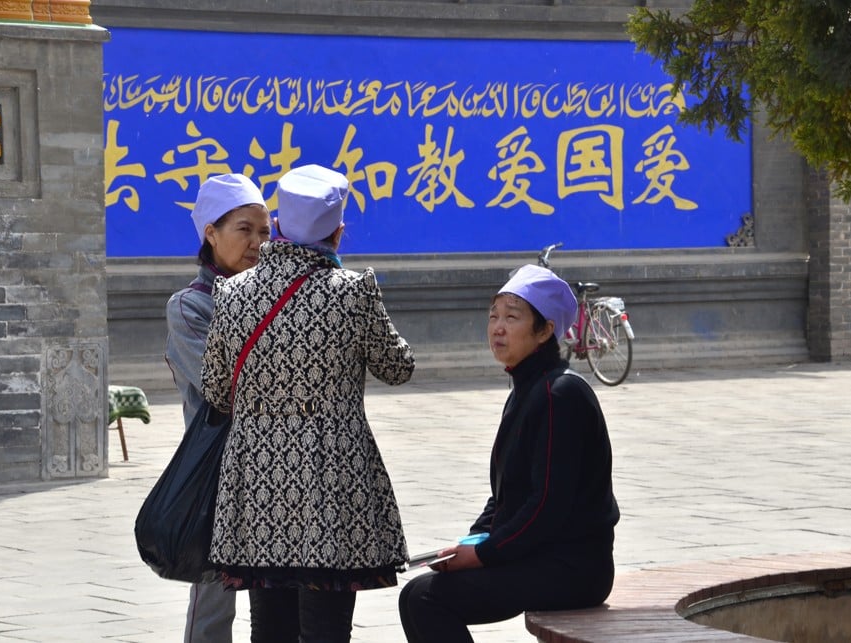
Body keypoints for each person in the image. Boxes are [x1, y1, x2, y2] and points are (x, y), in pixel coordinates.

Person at [200, 163, 416, 643]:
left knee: (268, 628)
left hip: (257, 484)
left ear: (276, 225)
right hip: (332, 482)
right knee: (326, 628)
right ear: (339, 233)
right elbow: (398, 367)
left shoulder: (232, 293)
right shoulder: (354, 292)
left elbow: (215, 390)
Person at [398, 264, 620, 643]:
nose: (497, 328)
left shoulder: (559, 395)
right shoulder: (529, 387)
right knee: (421, 592)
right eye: (493, 316)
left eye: (512, 317)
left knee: (424, 599)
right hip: (539, 553)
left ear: (545, 330)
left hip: (571, 566)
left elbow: (546, 505)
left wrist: (486, 553)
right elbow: (505, 497)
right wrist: (469, 543)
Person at [164, 172, 271, 643]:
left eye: (265, 231)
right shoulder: (190, 307)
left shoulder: (278, 300)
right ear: (211, 233)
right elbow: (229, 388)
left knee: (280, 596)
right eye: (244, 229)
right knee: (213, 598)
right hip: (218, 468)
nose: (257, 243)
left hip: (276, 463)